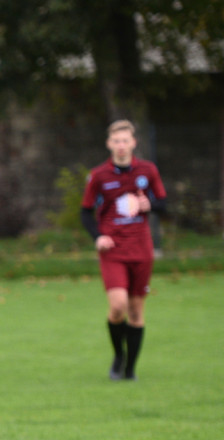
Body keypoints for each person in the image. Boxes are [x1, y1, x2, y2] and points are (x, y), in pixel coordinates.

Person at [80, 120, 167, 381]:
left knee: (137, 310)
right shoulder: (98, 175)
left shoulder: (148, 171)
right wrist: (98, 237)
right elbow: (85, 213)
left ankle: (130, 370)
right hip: (113, 250)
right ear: (109, 144)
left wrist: (148, 205)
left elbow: (163, 203)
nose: (120, 146)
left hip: (141, 249)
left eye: (125, 140)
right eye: (116, 141)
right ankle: (119, 355)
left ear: (133, 143)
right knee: (118, 306)